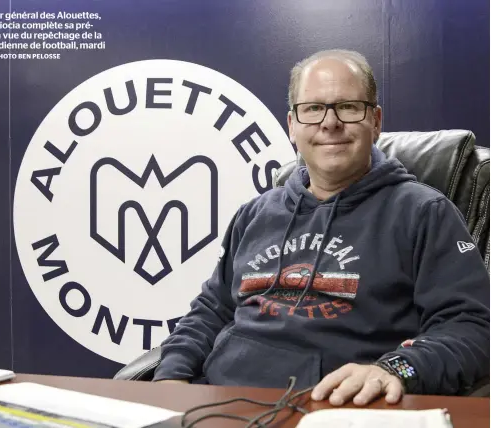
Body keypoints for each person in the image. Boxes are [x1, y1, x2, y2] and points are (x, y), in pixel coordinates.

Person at [152, 49, 490, 406]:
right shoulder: (254, 214)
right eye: (312, 109)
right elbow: (212, 308)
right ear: (292, 126)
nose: (329, 123)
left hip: (333, 409)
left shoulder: (424, 214)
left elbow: (472, 328)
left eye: (347, 106)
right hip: (218, 404)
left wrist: (396, 370)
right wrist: (170, 375)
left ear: (375, 121)